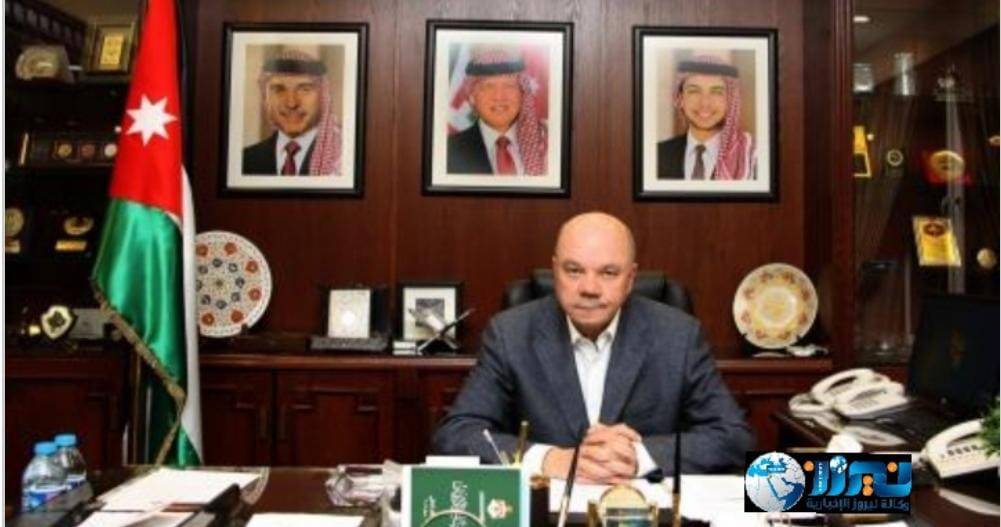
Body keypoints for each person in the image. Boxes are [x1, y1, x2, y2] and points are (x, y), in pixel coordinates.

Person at [433, 212, 753, 483]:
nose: (589, 288)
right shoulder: (511, 333)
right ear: (555, 270)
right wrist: (550, 459)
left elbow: (734, 436)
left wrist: (638, 456)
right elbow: (457, 433)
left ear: (630, 279)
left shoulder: (677, 335)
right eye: (574, 270)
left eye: (609, 273)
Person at [447, 46, 547, 175]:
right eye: (488, 86)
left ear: (522, 94)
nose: (499, 96)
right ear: (472, 96)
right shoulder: (448, 152)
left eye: (509, 86)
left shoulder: (545, 146)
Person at [242, 48, 342, 176]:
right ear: (265, 97)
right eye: (278, 89)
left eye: (304, 89)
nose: (291, 103)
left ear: (323, 96)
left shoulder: (341, 159)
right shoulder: (245, 160)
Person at [657, 55, 755, 181]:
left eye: (716, 92)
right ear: (680, 99)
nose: (705, 103)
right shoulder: (657, 155)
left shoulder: (750, 157)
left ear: (729, 101)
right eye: (694, 91)